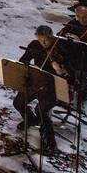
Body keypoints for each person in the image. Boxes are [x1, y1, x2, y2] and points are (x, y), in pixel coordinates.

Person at [13, 25, 67, 156]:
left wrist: (59, 69)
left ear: (51, 37)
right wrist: (28, 67)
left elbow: (67, 74)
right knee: (18, 102)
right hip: (36, 81)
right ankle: (31, 120)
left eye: (46, 40)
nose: (43, 43)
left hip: (52, 87)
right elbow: (23, 60)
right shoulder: (34, 45)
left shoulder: (60, 48)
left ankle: (51, 144)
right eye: (40, 39)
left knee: (41, 110)